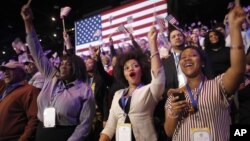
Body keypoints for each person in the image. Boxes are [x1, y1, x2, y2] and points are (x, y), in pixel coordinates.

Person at [164, 3, 246, 141]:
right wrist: (174, 113)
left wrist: (234, 27)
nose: (186, 58)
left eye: (192, 55)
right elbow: (169, 132)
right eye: (183, 57)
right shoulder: (175, 95)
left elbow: (238, 69)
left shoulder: (218, 85)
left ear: (202, 62)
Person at [21, 4, 95, 141]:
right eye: (62, 64)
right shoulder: (51, 76)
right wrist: (28, 22)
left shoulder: (85, 90)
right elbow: (36, 51)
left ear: (77, 68)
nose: (62, 67)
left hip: (67, 136)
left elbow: (84, 125)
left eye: (68, 65)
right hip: (42, 132)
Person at [99, 26, 165, 141]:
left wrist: (152, 43)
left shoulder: (150, 90)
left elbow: (158, 76)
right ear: (123, 73)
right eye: (126, 68)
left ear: (142, 70)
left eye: (135, 66)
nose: (131, 69)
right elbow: (109, 127)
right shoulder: (117, 95)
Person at [0, 60, 40, 141]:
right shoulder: (6, 89)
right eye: (4, 70)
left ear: (21, 72)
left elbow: (34, 119)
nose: (6, 73)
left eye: (10, 70)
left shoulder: (30, 90)